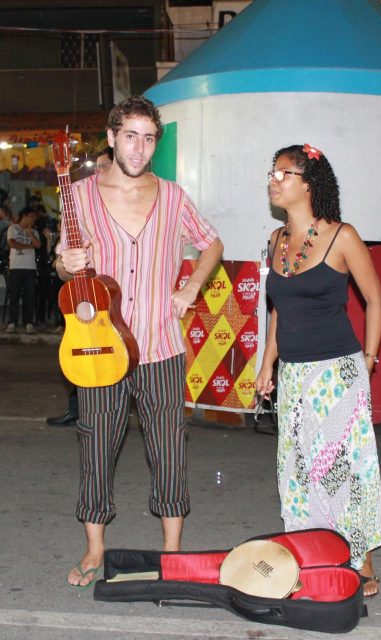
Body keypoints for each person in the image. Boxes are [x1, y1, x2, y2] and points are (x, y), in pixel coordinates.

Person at [56, 96, 223, 588]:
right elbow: (67, 269)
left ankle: (172, 552)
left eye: (149, 138)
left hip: (160, 346)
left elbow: (210, 241)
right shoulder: (80, 196)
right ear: (111, 138)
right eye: (130, 135)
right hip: (99, 349)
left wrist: (191, 286)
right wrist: (66, 262)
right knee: (96, 445)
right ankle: (94, 549)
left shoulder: (172, 196)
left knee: (170, 447)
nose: (140, 147)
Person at [255, 144, 381, 597]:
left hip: (338, 372)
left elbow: (376, 299)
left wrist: (367, 363)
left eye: (282, 172)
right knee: (297, 468)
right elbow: (277, 311)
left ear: (308, 183)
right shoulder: (275, 241)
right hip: (293, 373)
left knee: (345, 469)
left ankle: (362, 559)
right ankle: (311, 552)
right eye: (271, 173)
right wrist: (267, 363)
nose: (273, 179)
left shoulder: (341, 236)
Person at [46, 147, 114, 427]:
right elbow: (60, 267)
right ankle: (78, 408)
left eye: (105, 166)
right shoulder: (82, 205)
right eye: (96, 167)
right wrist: (66, 265)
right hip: (85, 302)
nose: (100, 172)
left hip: (118, 307)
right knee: (80, 354)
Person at [6, 207, 40, 334]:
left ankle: (28, 323)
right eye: (31, 216)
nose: (33, 219)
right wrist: (28, 246)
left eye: (34, 217)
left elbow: (37, 245)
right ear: (24, 216)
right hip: (15, 267)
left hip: (30, 268)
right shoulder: (13, 228)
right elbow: (12, 244)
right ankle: (12, 322)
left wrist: (30, 233)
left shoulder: (34, 232)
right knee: (14, 295)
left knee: (29, 296)